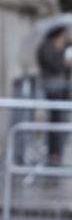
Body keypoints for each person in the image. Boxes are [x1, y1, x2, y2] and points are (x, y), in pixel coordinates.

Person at [36, 25, 71, 164]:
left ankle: (58, 151)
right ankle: (53, 153)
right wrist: (64, 60)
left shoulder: (63, 47)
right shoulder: (46, 47)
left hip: (62, 90)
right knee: (54, 121)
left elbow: (66, 71)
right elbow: (55, 65)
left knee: (61, 121)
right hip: (52, 89)